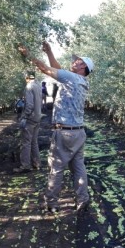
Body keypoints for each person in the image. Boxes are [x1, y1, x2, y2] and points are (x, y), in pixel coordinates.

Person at [18, 42, 94, 214]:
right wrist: (50, 51)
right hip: (78, 132)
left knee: (57, 167)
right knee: (78, 168)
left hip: (64, 132)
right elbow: (57, 69)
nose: (74, 62)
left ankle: (51, 202)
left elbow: (46, 69)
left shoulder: (71, 78)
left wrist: (27, 54)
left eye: (78, 61)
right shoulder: (81, 81)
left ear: (83, 67)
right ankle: (83, 199)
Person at [13, 71, 43, 173]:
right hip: (38, 117)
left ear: (27, 77)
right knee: (34, 142)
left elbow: (29, 105)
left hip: (30, 118)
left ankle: (25, 165)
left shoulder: (29, 86)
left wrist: (24, 116)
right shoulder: (38, 85)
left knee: (26, 142)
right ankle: (37, 163)